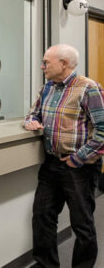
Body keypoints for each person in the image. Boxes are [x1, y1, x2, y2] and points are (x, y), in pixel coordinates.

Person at [24, 44, 104, 268]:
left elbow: (102, 130)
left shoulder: (89, 88)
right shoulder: (48, 87)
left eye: (46, 62)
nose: (42, 67)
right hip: (51, 165)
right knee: (42, 218)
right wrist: (31, 121)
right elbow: (33, 112)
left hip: (79, 167)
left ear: (64, 64)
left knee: (82, 224)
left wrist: (77, 158)